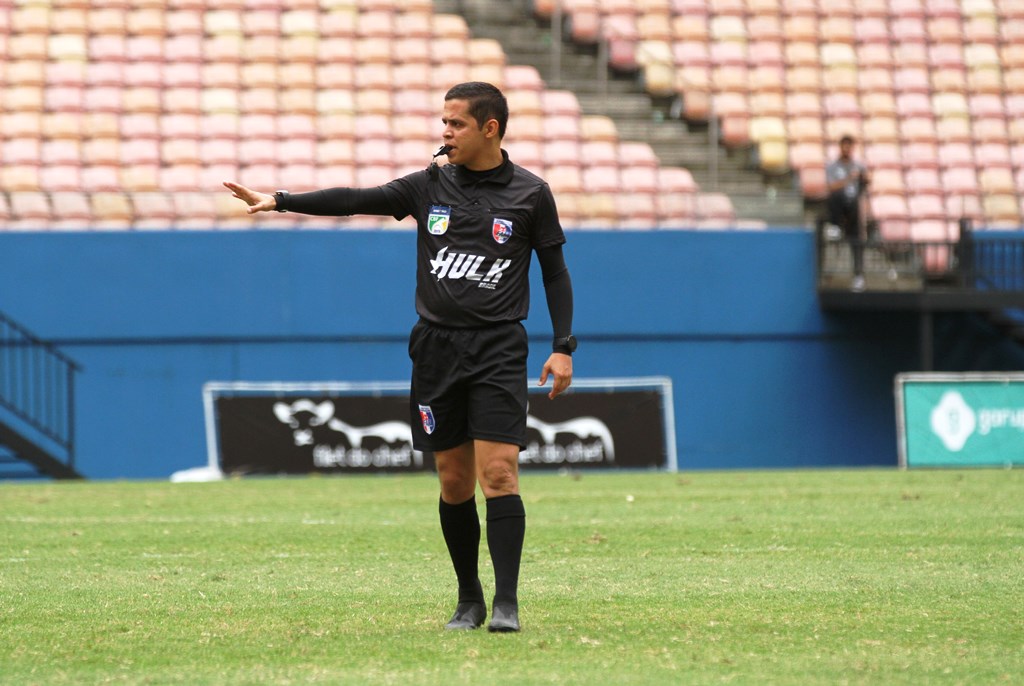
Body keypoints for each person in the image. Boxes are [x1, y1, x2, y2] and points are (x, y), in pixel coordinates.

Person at [224, 82, 576, 633]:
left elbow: (554, 272)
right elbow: (356, 198)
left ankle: (506, 602)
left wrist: (561, 346)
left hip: (499, 347)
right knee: (453, 481)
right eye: (444, 122)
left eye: (456, 123)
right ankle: (469, 598)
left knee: (500, 473)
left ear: (490, 128)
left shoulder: (531, 194)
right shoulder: (428, 186)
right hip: (436, 349)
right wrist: (283, 200)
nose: (445, 132)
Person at [825, 135, 871, 291]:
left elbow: (867, 182)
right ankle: (835, 226)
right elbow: (831, 188)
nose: (847, 149)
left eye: (849, 146)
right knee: (836, 196)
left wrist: (863, 179)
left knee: (856, 241)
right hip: (839, 206)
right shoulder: (833, 167)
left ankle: (858, 276)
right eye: (844, 145)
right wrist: (848, 179)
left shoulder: (858, 166)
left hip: (854, 208)